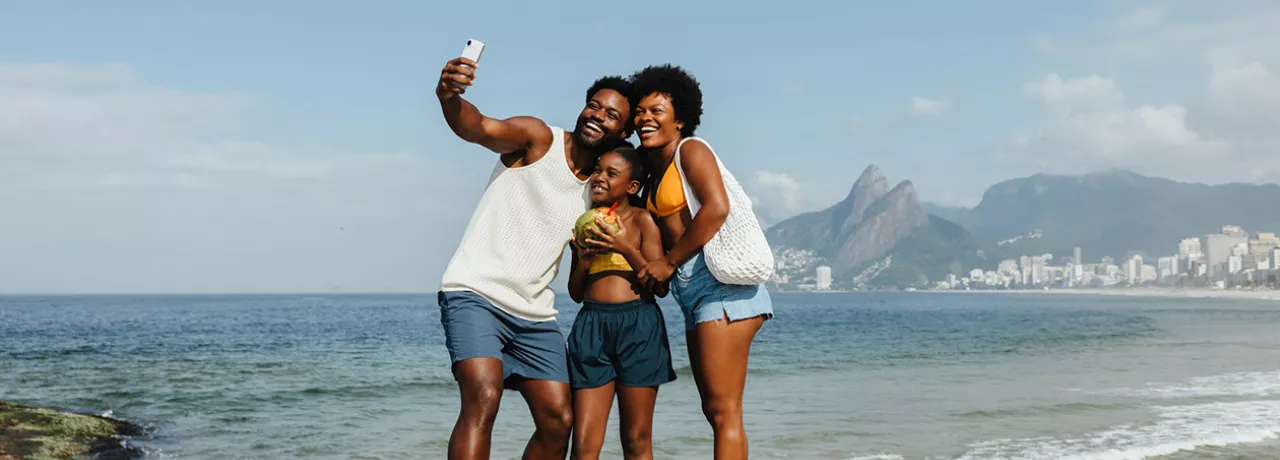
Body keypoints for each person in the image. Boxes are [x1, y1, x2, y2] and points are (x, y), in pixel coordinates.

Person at [434, 55, 633, 460]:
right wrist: (449, 95)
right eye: (594, 105)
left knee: (558, 419)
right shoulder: (537, 138)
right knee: (483, 396)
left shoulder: (599, 190)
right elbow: (478, 127)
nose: (598, 116)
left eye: (611, 115)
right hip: (475, 291)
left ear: (623, 131)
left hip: (535, 314)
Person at [631, 64, 774, 459]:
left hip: (722, 284)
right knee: (718, 411)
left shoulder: (690, 150)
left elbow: (716, 209)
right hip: (691, 291)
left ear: (680, 120)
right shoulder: (652, 172)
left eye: (657, 111)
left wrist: (669, 262)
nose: (645, 118)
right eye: (640, 112)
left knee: (723, 409)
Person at [566, 146, 677, 460]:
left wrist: (626, 247)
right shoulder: (585, 224)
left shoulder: (642, 221)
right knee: (585, 444)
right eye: (598, 170)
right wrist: (585, 261)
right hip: (591, 325)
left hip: (638, 325)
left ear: (632, 187)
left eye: (610, 173)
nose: (599, 177)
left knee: (635, 439)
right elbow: (576, 293)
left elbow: (660, 287)